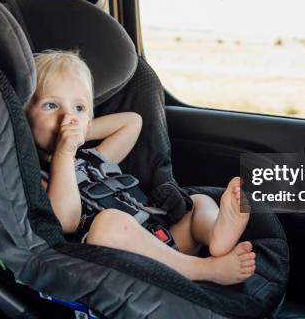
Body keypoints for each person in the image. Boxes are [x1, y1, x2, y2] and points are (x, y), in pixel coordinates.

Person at [24, 49, 255, 285]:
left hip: (164, 241)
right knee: (108, 222)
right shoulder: (42, 177)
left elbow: (132, 121)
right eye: (51, 105)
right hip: (122, 253)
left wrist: (83, 130)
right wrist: (64, 150)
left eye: (79, 108)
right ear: (24, 118)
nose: (68, 117)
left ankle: (217, 233)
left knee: (198, 202)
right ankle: (204, 269)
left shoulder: (97, 157)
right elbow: (66, 220)